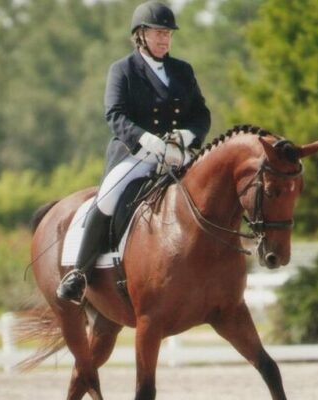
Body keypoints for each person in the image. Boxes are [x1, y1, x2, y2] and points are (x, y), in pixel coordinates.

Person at [56, 1, 211, 304]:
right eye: (158, 34)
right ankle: (79, 273)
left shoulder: (182, 70)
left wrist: (187, 134)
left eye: (168, 34)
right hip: (135, 154)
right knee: (107, 197)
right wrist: (146, 139)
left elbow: (201, 114)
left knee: (214, 186)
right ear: (140, 35)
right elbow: (114, 114)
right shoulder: (123, 70)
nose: (164, 39)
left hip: (177, 153)